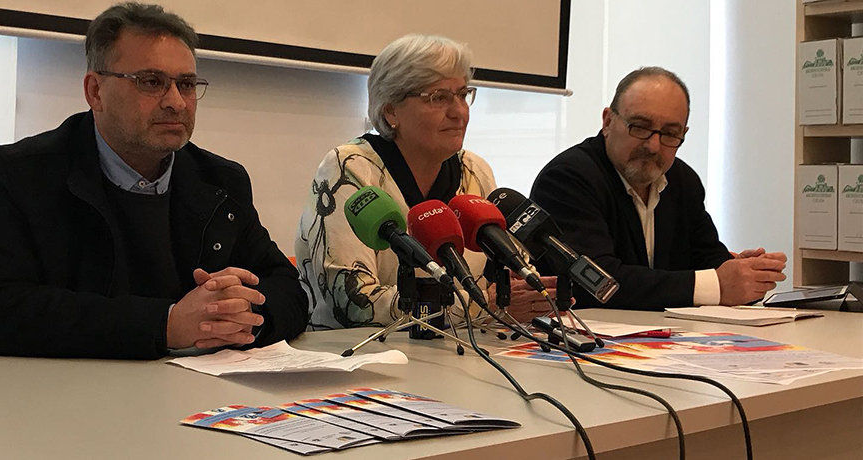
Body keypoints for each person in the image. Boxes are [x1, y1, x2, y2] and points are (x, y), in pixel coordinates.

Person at [0, 2, 308, 358]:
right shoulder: (19, 173)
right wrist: (165, 324)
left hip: (175, 389)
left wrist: (243, 315)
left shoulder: (220, 181)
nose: (176, 102)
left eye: (187, 84)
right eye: (151, 82)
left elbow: (287, 288)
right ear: (95, 92)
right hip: (32, 391)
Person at [295, 34, 555, 330]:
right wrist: (484, 305)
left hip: (462, 347)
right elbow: (355, 302)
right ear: (391, 111)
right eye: (439, 97)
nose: (459, 112)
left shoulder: (473, 170)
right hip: (359, 352)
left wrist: (526, 292)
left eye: (462, 95)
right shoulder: (349, 169)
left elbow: (506, 279)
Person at [531, 66, 786, 310]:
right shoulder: (567, 178)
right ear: (608, 121)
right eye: (640, 127)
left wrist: (744, 273)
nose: (653, 146)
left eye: (670, 133)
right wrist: (717, 284)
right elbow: (596, 282)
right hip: (583, 334)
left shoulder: (682, 180)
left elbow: (707, 260)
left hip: (668, 334)